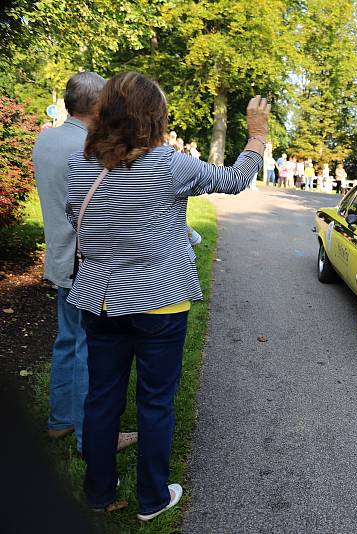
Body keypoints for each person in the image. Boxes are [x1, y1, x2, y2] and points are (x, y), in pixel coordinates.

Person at [65, 71, 267, 521]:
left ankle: (98, 491)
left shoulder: (80, 166)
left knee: (102, 398)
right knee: (155, 401)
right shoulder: (167, 165)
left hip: (98, 299)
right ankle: (152, 499)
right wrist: (256, 136)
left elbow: (73, 218)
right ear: (153, 117)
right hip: (159, 303)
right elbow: (234, 180)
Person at [32, 71, 138, 458]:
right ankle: (89, 437)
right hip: (86, 261)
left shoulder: (46, 139)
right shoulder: (90, 149)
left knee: (67, 341)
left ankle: (61, 420)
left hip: (61, 254)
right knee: (87, 350)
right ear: (97, 105)